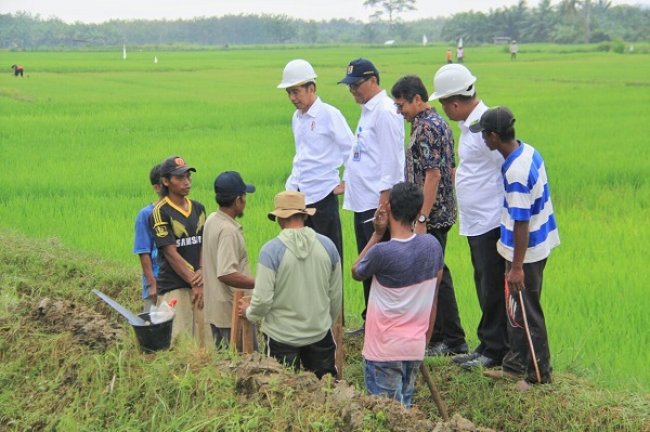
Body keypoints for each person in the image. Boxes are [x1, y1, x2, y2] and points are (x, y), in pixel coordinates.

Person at [469, 106, 559, 389]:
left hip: (527, 253)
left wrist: (517, 267)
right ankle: (513, 365)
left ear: (494, 136)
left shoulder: (517, 172)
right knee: (516, 311)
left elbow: (521, 222)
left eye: (484, 134)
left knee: (526, 311)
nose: (483, 139)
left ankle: (538, 375)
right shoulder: (526, 150)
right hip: (534, 245)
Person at [429, 64, 509, 370]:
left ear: (455, 102)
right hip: (477, 222)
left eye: (444, 104)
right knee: (483, 284)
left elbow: (507, 164)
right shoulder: (471, 127)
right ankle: (487, 344)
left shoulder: (485, 127)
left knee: (491, 286)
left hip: (491, 222)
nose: (444, 110)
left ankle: (496, 350)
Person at [391, 75, 468, 357]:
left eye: (402, 106)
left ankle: (453, 339)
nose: (400, 112)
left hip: (432, 215)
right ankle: (438, 336)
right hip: (437, 211)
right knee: (433, 272)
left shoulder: (426, 128)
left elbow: (433, 175)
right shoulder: (433, 124)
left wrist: (421, 218)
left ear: (418, 100)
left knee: (437, 274)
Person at [352, 182, 443, 407]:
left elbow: (356, 271)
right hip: (414, 346)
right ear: (417, 210)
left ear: (388, 208)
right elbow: (434, 295)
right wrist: (424, 340)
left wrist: (376, 234)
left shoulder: (383, 252)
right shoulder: (432, 246)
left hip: (384, 351)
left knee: (388, 417)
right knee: (406, 415)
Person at [238, 191, 342, 379]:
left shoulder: (271, 252)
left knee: (282, 394)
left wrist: (249, 312)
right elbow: (335, 296)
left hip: (281, 337)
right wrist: (323, 322)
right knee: (327, 393)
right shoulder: (328, 246)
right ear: (304, 215)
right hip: (319, 334)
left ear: (279, 218)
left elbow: (262, 300)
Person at [338, 58, 405, 336]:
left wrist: (384, 204)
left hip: (376, 204)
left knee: (377, 265)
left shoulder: (386, 112)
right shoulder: (368, 110)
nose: (353, 90)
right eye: (349, 86)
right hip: (362, 200)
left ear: (373, 81)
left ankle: (383, 324)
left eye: (357, 85)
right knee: (368, 262)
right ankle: (371, 321)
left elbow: (392, 162)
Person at [276, 59, 353, 268]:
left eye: (296, 92)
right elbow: (301, 156)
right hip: (298, 199)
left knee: (328, 260)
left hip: (322, 196)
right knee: (301, 260)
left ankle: (333, 302)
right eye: (289, 93)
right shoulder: (297, 117)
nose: (292, 98)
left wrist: (346, 182)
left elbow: (351, 149)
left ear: (311, 88)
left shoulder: (329, 114)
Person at [150, 155, 206, 341]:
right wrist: (194, 281)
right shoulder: (160, 212)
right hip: (175, 286)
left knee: (204, 342)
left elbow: (204, 244)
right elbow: (170, 252)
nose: (186, 182)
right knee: (178, 342)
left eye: (188, 176)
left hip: (199, 283)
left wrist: (203, 271)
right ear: (166, 181)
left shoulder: (198, 208)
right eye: (180, 178)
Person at [202, 171, 256, 350]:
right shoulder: (228, 231)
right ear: (237, 200)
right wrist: (260, 283)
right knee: (243, 365)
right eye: (244, 197)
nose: (246, 201)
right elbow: (226, 272)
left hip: (216, 310)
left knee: (224, 366)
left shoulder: (212, 219)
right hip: (231, 314)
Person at [133, 163, 163, 313]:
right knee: (154, 327)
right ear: (157, 187)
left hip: (177, 283)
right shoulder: (145, 215)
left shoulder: (182, 212)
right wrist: (152, 284)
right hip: (157, 282)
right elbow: (143, 252)